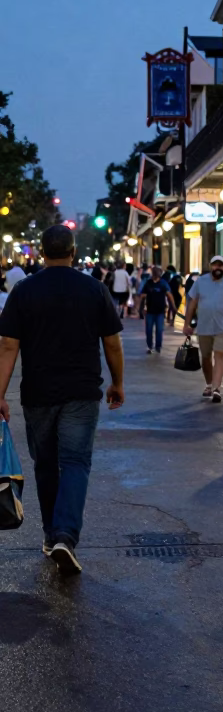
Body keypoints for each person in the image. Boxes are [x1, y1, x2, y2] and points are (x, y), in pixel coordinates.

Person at [0, 224, 124, 575]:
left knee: (45, 464)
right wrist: (118, 383)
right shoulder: (94, 289)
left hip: (38, 394)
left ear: (41, 253)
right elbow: (112, 343)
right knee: (75, 462)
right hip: (82, 393)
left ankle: (51, 535)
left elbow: (9, 345)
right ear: (72, 252)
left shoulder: (24, 291)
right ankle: (65, 537)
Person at [182, 256, 223, 404]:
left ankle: (216, 389)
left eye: (221, 266)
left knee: (219, 355)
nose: (218, 268)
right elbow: (192, 303)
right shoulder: (200, 282)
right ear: (210, 266)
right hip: (204, 327)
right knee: (206, 357)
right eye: (215, 265)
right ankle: (209, 384)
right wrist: (186, 324)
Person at [139, 263, 171, 353]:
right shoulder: (148, 283)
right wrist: (141, 308)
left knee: (159, 330)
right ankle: (149, 346)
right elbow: (143, 296)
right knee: (149, 330)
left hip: (160, 311)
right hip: (150, 311)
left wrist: (173, 307)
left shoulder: (163, 283)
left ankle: (158, 346)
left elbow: (169, 295)